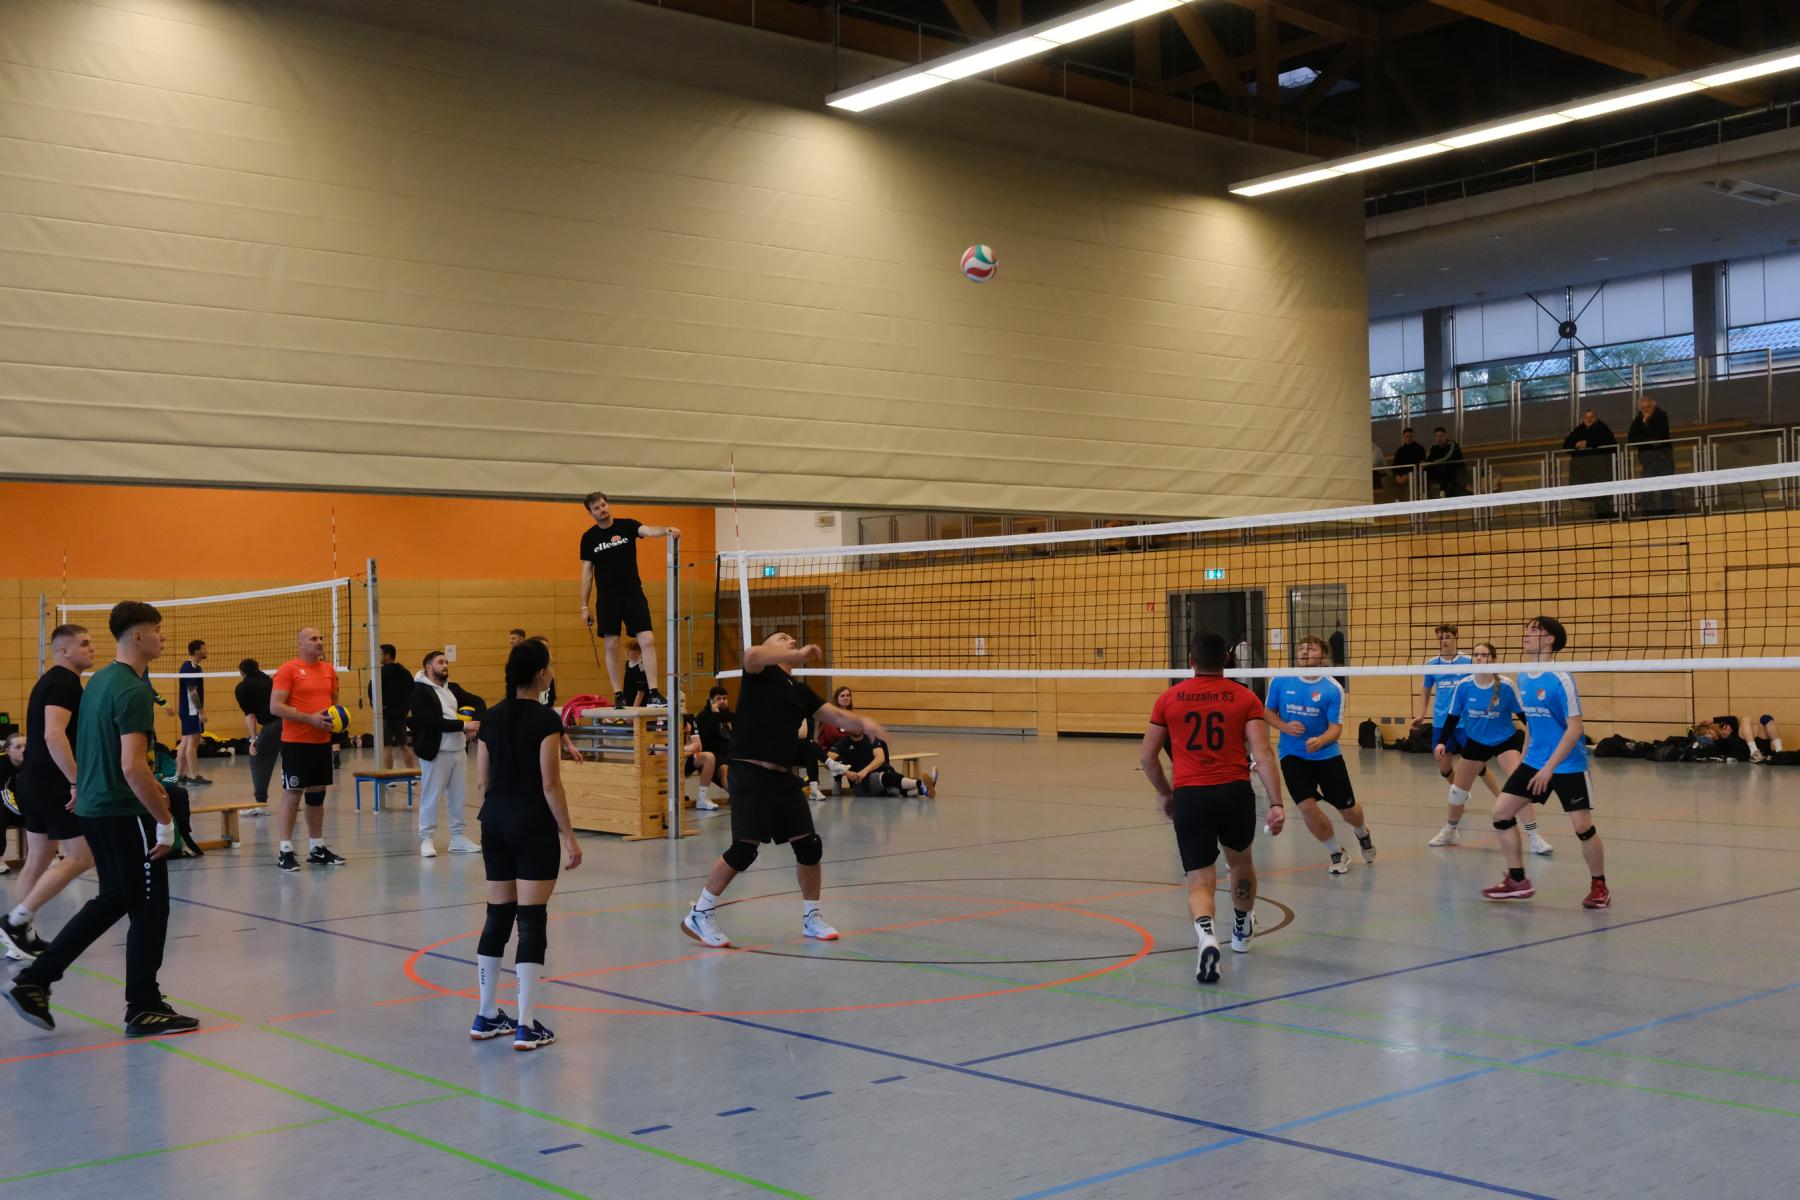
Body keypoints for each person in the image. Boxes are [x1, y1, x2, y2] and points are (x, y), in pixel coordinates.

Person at [5, 601, 198, 1037]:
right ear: (138, 637)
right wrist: (164, 820)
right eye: (157, 630)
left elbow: (100, 750)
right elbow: (132, 766)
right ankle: (143, 1006)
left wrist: (94, 787)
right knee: (150, 908)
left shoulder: (98, 683)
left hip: (95, 808)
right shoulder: (132, 690)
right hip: (123, 811)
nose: (163, 638)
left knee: (115, 898)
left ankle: (35, 981)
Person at [680, 633, 885, 948]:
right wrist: (797, 653)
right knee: (743, 850)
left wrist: (864, 722)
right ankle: (700, 913)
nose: (789, 640)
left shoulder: (800, 691)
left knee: (809, 846)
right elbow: (751, 654)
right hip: (749, 773)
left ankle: (811, 917)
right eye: (782, 638)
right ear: (770, 647)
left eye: (792, 639)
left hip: (783, 778)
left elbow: (835, 715)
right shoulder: (758, 673)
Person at [1140, 630, 1285, 986]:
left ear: (1191, 661)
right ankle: (1241, 930)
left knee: (1199, 880)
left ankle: (1206, 936)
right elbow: (1263, 753)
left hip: (1191, 796)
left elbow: (1147, 758)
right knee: (1241, 863)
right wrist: (1277, 802)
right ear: (1227, 661)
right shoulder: (1245, 697)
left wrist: (1167, 794)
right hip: (1234, 793)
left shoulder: (1168, 699)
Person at [470, 637, 581, 1050]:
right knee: (531, 919)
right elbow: (550, 783)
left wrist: (500, 813)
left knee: (497, 917)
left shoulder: (490, 717)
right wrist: (569, 836)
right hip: (531, 822)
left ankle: (485, 1014)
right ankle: (526, 1024)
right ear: (541, 674)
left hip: (494, 819)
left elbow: (483, 781)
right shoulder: (546, 719)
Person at [1481, 616, 1608, 908]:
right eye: (1526, 628)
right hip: (1535, 761)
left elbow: (1575, 728)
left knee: (1582, 827)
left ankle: (1599, 885)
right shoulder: (1524, 676)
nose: (1526, 633)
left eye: (1535, 630)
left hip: (1568, 764)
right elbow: (1532, 724)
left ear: (1550, 639)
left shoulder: (1561, 678)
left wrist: (1549, 769)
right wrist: (1525, 760)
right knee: (1501, 813)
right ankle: (1517, 880)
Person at [0, 626, 98, 958]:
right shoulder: (63, 683)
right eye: (84, 644)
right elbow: (54, 735)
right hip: (51, 783)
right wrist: (76, 781)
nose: (91, 648)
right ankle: (15, 922)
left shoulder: (54, 681)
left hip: (34, 780)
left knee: (38, 858)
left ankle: (21, 937)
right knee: (81, 856)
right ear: (64, 651)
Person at [1429, 642, 1552, 855]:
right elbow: (1452, 716)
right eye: (1476, 655)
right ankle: (1450, 831)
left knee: (1519, 786)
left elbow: (1525, 717)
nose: (1479, 658)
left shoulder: (1506, 685)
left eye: (1484, 655)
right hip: (1476, 741)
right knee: (1457, 792)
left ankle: (1534, 837)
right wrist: (1441, 741)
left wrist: (1540, 740)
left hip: (1505, 741)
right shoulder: (1464, 686)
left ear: (1493, 659)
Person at [1263, 637, 1371, 874]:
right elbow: (1267, 712)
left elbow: (1336, 729)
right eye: (1301, 648)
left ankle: (1362, 831)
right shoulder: (1280, 680)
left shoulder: (1332, 688)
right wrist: (1284, 726)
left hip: (1326, 755)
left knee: (1348, 811)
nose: (1304, 652)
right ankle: (1336, 851)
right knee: (1307, 806)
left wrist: (1321, 740)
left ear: (1322, 655)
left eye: (1310, 649)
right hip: (1292, 755)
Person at [577, 491, 677, 708]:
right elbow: (587, 573)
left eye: (603, 505)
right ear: (591, 513)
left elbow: (648, 530)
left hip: (632, 593)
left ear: (607, 504)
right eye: (596, 508)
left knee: (647, 639)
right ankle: (619, 694)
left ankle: (653, 692)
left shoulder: (627, 526)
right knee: (611, 645)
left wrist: (666, 530)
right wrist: (584, 605)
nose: (602, 509)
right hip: (607, 598)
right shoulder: (589, 538)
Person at [269, 627, 347, 872]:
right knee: (293, 794)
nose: (319, 642)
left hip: (321, 743)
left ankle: (317, 848)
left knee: (317, 795)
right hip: (296, 743)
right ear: (300, 644)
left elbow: (333, 704)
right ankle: (285, 850)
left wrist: (338, 720)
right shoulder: (288, 670)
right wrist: (309, 719)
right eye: (313, 639)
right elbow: (275, 706)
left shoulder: (329, 670)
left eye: (321, 638)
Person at [1414, 623, 1503, 823]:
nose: (1444, 641)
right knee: (1444, 767)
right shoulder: (1432, 664)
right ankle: (1461, 793)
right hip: (1441, 722)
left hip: (1466, 722)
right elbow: (1425, 690)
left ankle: (1501, 797)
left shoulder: (1468, 661)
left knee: (1478, 765)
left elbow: (1484, 682)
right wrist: (1421, 714)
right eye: (1440, 638)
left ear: (1455, 637)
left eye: (1447, 636)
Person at [412, 650, 480, 858]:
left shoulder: (453, 688)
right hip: (436, 752)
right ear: (429, 667)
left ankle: (458, 837)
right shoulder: (419, 691)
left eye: (446, 662)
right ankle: (426, 838)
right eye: (440, 662)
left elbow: (478, 702)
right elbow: (431, 722)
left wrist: (476, 724)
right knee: (431, 796)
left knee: (458, 797)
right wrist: (465, 725)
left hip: (458, 751)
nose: (445, 665)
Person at [826, 727, 934, 798]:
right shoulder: (842, 743)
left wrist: (865, 771)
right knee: (888, 778)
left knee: (894, 789)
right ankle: (921, 783)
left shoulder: (871, 738)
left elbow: (880, 758)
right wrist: (847, 773)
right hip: (862, 782)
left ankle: (923, 790)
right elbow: (828, 760)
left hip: (876, 774)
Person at [235, 658, 279, 816]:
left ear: (241, 672)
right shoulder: (270, 681)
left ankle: (260, 804)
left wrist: (253, 739)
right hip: (291, 722)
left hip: (274, 724)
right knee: (289, 760)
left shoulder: (242, 687)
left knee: (257, 757)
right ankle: (292, 801)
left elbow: (250, 715)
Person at [1562, 408, 1618, 518]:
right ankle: (1602, 515)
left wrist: (1588, 443)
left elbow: (1607, 442)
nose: (1589, 419)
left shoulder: (1602, 428)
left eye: (1591, 417)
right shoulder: (1579, 430)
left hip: (1601, 467)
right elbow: (1566, 444)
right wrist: (1576, 445)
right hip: (1584, 469)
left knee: (1601, 492)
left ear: (1596, 418)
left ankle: (1605, 516)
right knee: (1593, 492)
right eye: (1586, 417)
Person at [1627, 395, 1674, 516]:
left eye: (1648, 407)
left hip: (1664, 457)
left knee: (1666, 487)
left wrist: (1646, 423)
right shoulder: (1638, 421)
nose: (1645, 410)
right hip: (1647, 460)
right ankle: (1649, 514)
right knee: (1647, 489)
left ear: (1653, 407)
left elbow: (1658, 436)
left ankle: (1668, 514)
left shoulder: (1661, 417)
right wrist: (1647, 440)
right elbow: (1631, 439)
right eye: (1643, 408)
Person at [374, 644, 417, 773]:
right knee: (403, 745)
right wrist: (406, 708)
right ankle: (411, 774)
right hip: (401, 714)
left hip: (385, 715)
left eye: (380, 654)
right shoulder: (405, 672)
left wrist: (377, 705)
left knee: (387, 747)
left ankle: (388, 776)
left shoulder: (380, 672)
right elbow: (413, 690)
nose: (378, 656)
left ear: (387, 655)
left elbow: (372, 690)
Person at [175, 638, 211, 786]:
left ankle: (181, 774)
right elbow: (192, 692)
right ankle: (194, 775)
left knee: (184, 742)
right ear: (197, 651)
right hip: (191, 710)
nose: (206, 651)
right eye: (204, 648)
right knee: (193, 742)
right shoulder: (189, 668)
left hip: (188, 710)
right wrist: (200, 712)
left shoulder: (197, 668)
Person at [693, 687, 733, 809]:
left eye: (724, 698)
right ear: (711, 700)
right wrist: (715, 715)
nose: (722, 701)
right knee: (725, 770)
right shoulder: (703, 716)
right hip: (714, 754)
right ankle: (739, 797)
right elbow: (705, 736)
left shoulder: (730, 716)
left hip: (731, 753)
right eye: (718, 699)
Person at [680, 714, 719, 808]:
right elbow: (660, 751)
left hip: (685, 758)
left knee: (709, 757)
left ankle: (702, 799)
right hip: (667, 761)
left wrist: (686, 752)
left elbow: (698, 749)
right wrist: (686, 748)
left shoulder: (690, 719)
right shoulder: (663, 718)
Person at [1423, 427, 1468, 498]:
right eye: (1437, 436)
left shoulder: (1452, 444)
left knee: (1445, 465)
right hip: (1441, 473)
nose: (1439, 438)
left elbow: (1448, 457)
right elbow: (1429, 459)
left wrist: (1434, 462)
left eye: (1441, 435)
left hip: (1456, 471)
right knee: (1425, 469)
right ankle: (1424, 492)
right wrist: (1424, 464)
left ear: (1445, 436)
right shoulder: (1435, 448)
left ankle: (1443, 491)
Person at [1391, 429, 1426, 498]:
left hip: (1414, 474)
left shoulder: (1420, 449)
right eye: (1407, 436)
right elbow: (1395, 464)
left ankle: (1411, 499)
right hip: (1400, 475)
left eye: (1410, 436)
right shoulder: (1400, 450)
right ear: (1403, 437)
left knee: (1411, 478)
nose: (1408, 438)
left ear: (1413, 437)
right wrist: (1397, 475)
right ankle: (1395, 499)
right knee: (1385, 480)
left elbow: (1419, 464)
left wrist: (1407, 475)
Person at [621, 639, 649, 709]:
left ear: (638, 652)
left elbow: (641, 692)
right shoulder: (627, 664)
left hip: (639, 704)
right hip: (628, 701)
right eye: (626, 650)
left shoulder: (641, 668)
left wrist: (634, 708)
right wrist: (623, 700)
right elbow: (626, 683)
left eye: (630, 650)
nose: (627, 652)